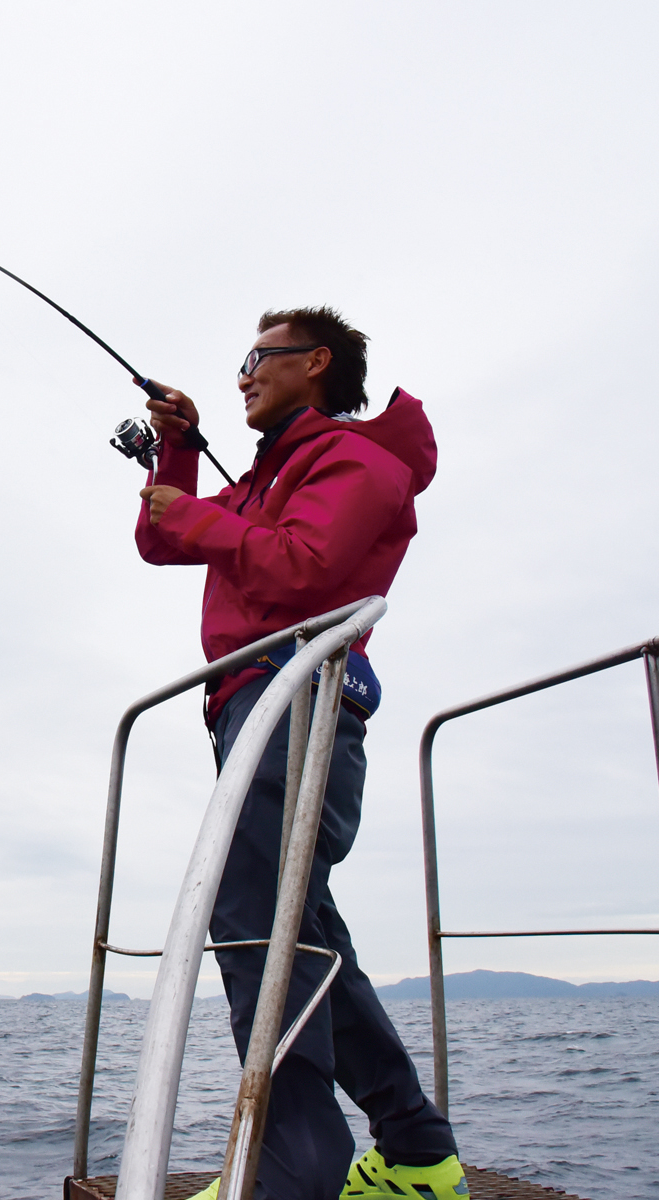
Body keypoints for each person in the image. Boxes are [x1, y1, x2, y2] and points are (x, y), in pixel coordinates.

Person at [132, 308, 464, 1200]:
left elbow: (307, 566)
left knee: (254, 921)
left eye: (257, 359)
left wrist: (201, 519)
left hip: (296, 704)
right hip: (255, 711)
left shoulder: (358, 461)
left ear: (315, 363)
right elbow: (163, 536)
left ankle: (294, 1172)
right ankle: (418, 1155)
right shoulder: (270, 475)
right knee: (299, 932)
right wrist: (179, 451)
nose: (242, 374)